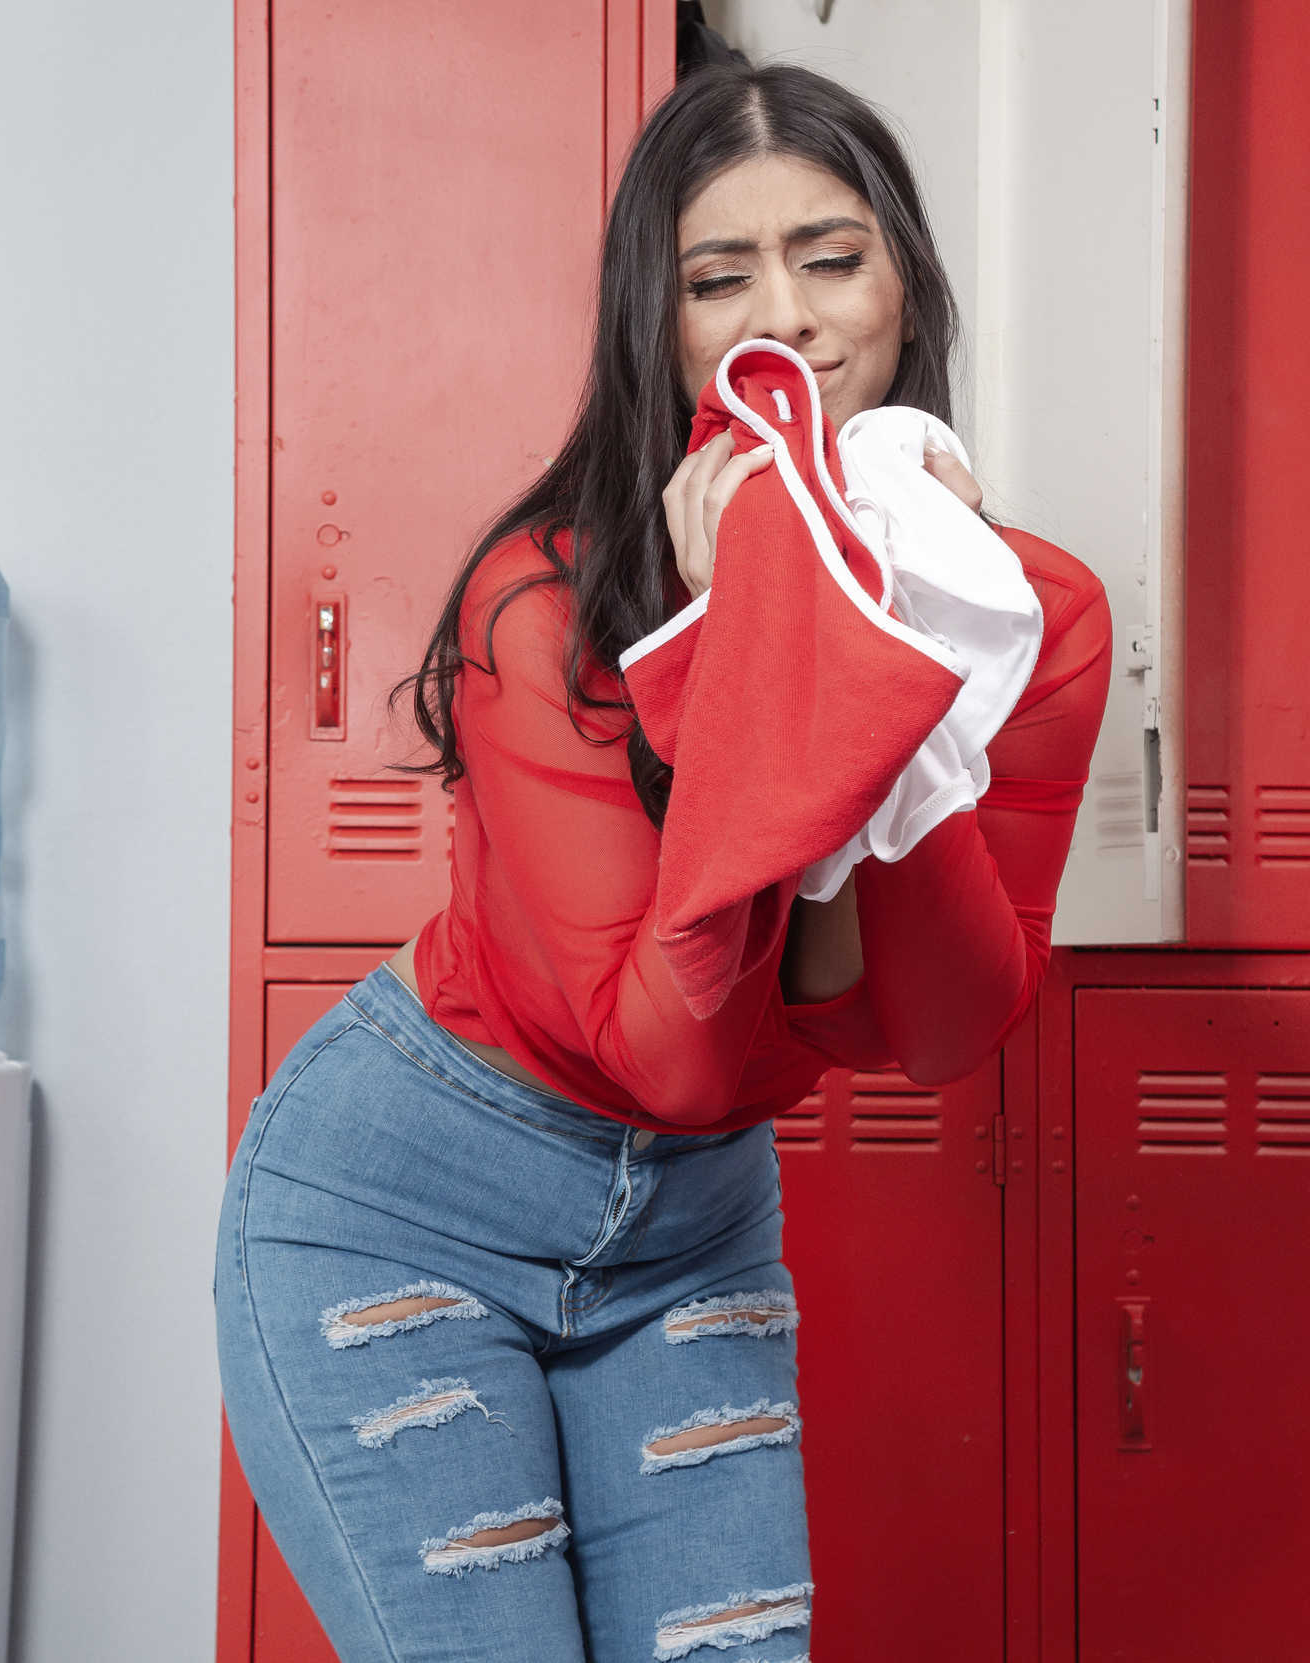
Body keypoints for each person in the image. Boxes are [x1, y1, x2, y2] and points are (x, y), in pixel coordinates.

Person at [214, 60, 1112, 1663]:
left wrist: (884, 679)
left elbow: (940, 1026)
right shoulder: (543, 607)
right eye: (721, 279)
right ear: (661, 322)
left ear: (906, 286)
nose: (792, 319)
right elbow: (673, 1058)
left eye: (832, 259)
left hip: (687, 1238)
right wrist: (737, 662)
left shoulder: (1020, 617)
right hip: (401, 1207)